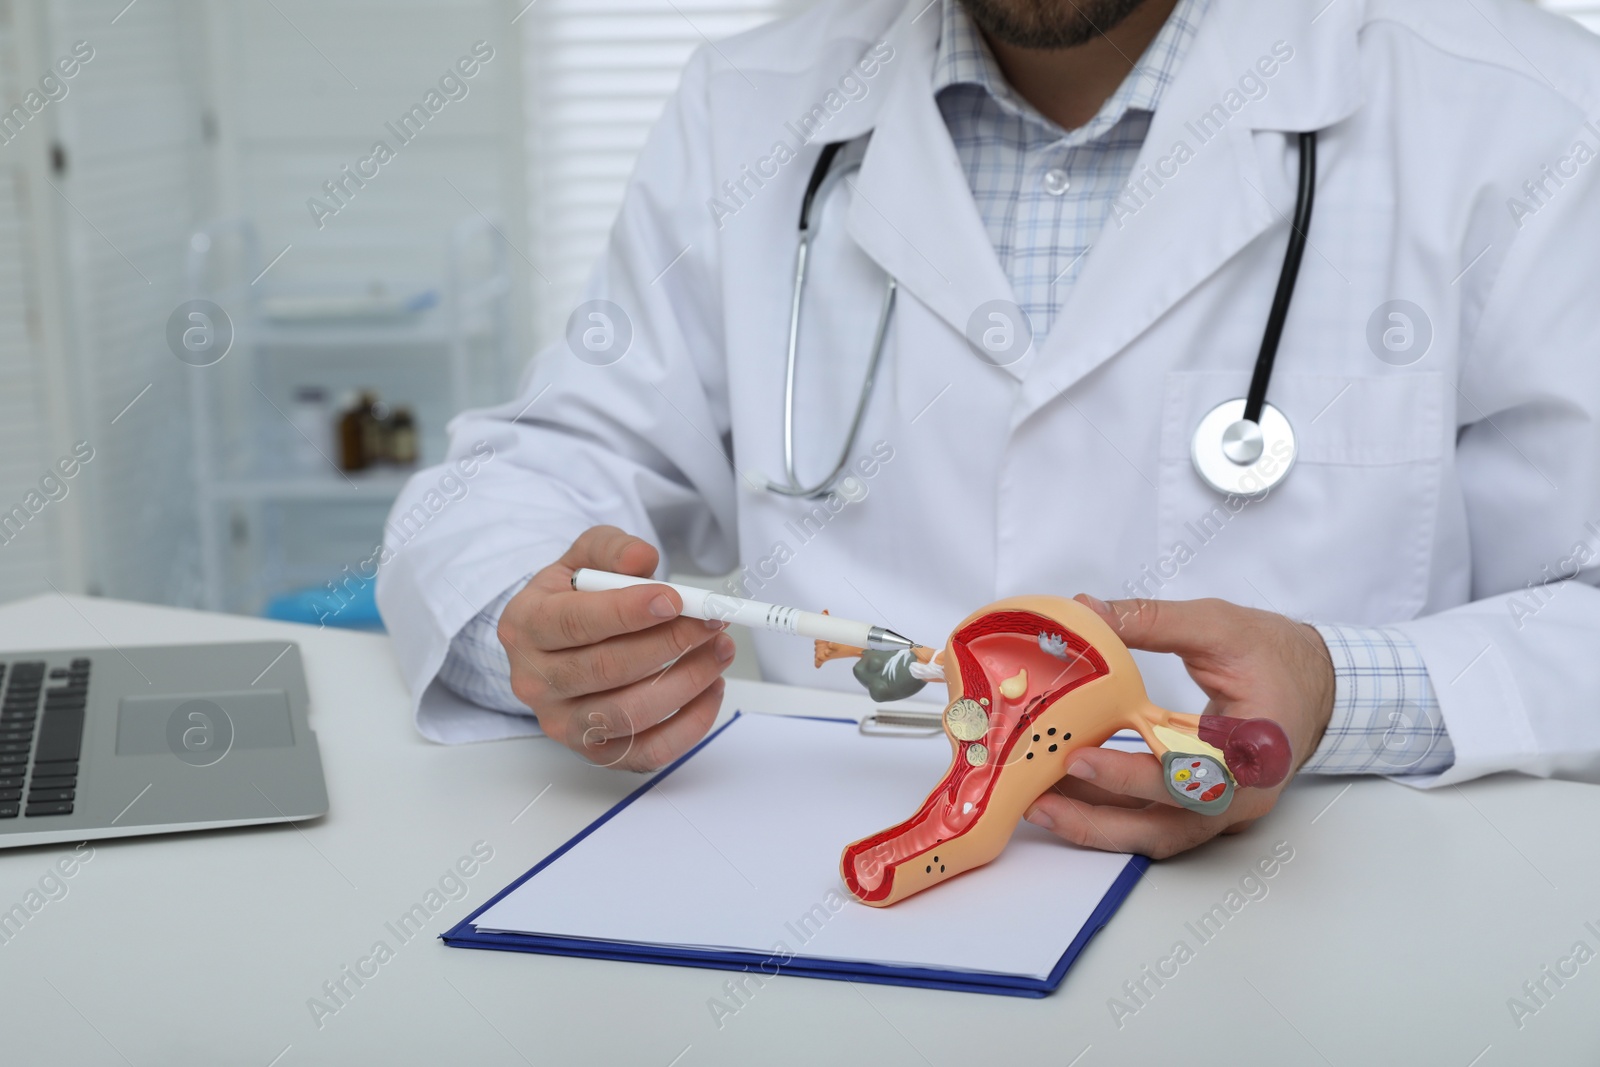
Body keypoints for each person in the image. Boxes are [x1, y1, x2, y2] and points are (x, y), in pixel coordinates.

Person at [375, 0, 1600, 858]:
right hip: (836, 904)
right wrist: (530, 631)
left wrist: (1335, 696)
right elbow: (534, 465)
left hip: (1319, 931)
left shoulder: (1531, 116)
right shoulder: (745, 109)